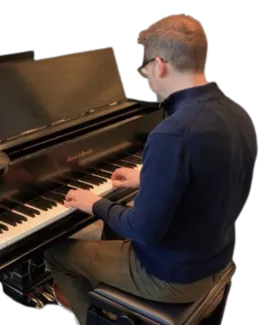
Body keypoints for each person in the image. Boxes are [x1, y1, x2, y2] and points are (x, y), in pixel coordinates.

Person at [44, 12, 257, 325]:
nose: (149, 80)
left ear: (160, 65)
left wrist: (96, 203)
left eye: (146, 69)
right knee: (110, 227)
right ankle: (109, 298)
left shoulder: (173, 132)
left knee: (56, 254)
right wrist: (146, 177)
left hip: (173, 276)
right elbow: (208, 178)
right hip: (216, 256)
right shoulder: (236, 113)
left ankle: (97, 316)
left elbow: (142, 229)